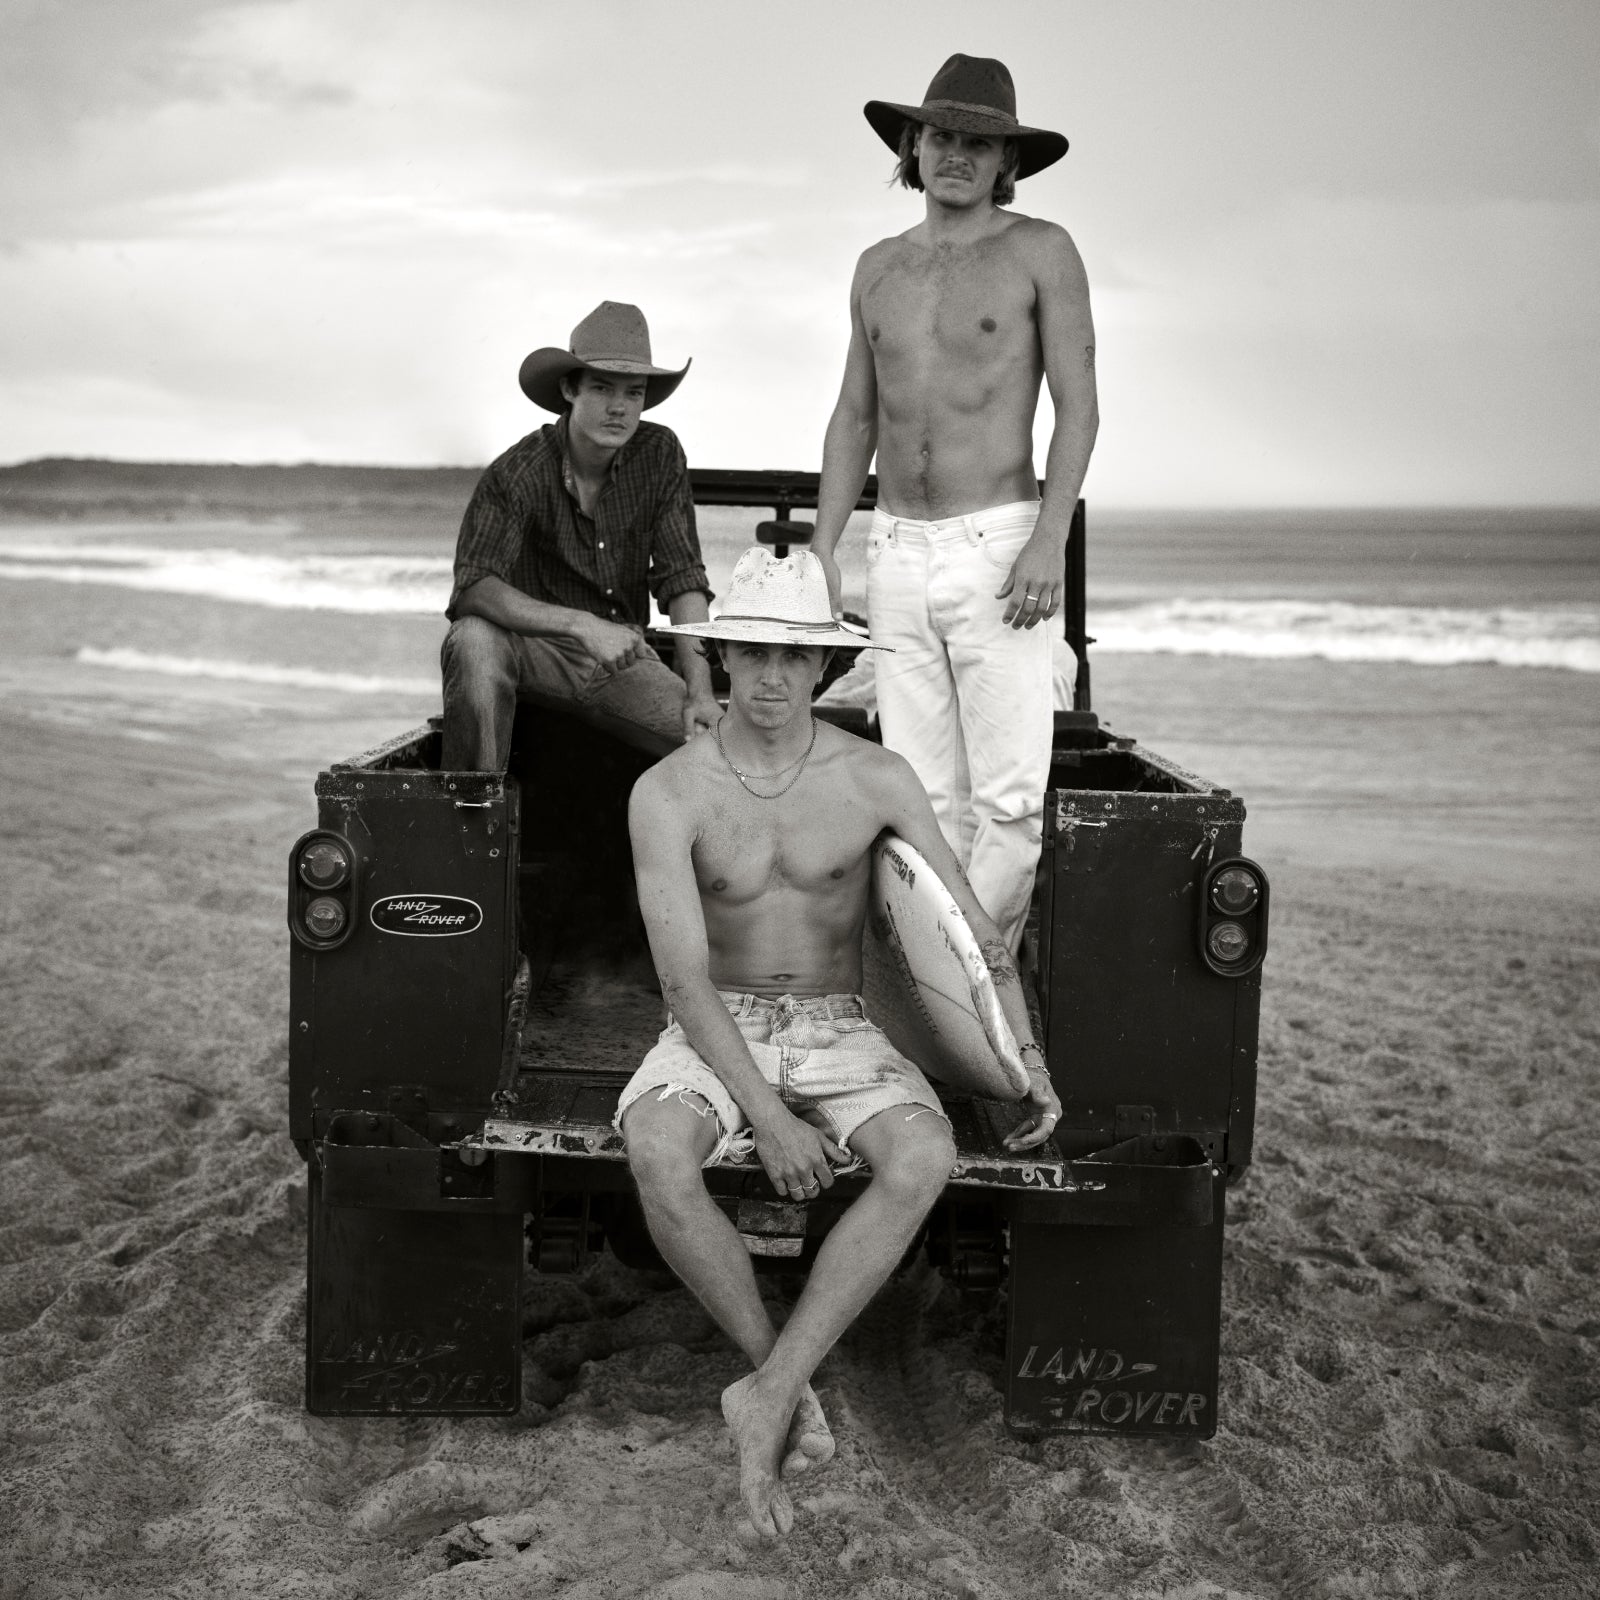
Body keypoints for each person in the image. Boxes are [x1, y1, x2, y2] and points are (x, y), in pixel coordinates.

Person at [618, 546, 1062, 1539]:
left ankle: (769, 1390)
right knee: (654, 1147)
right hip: (715, 1019)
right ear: (722, 655)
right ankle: (774, 1370)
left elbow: (969, 932)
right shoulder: (668, 792)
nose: (772, 678)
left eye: (795, 659)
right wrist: (768, 1115)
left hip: (836, 1021)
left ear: (823, 668)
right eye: (753, 654)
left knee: (925, 1154)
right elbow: (683, 980)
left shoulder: (875, 777)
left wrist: (1021, 1060)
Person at [810, 54, 1099, 952]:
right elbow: (856, 414)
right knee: (925, 799)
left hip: (1000, 545)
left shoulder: (1041, 250)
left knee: (1009, 804)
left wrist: (1049, 538)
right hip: (894, 549)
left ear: (1006, 161)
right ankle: (943, 996)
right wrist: (824, 548)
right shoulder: (876, 268)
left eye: (980, 142)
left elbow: (1080, 408)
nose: (959, 156)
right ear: (913, 145)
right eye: (942, 136)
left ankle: (981, 991)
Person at [440, 301, 722, 770]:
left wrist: (701, 692)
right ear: (570, 389)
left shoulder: (660, 453)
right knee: (473, 640)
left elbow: (683, 580)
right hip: (534, 652)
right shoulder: (518, 471)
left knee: (717, 753)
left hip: (623, 658)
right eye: (602, 388)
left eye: (633, 393)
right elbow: (473, 587)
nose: (619, 407)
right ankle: (473, 814)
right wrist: (580, 624)